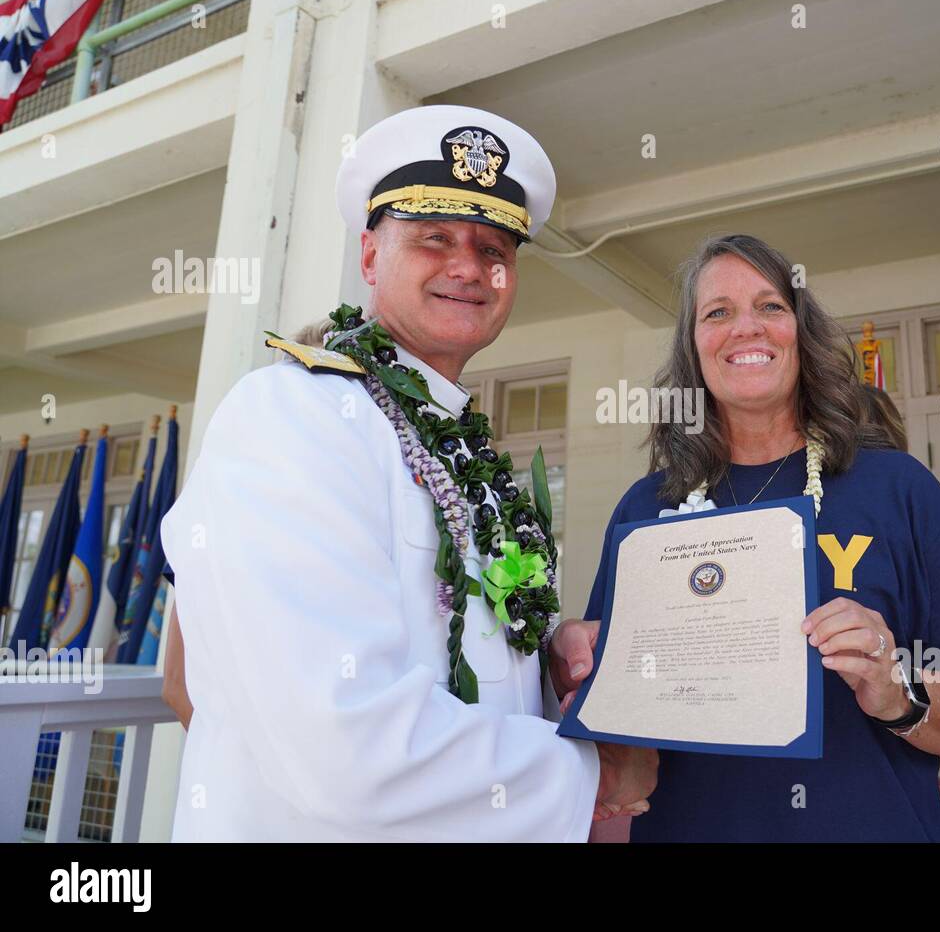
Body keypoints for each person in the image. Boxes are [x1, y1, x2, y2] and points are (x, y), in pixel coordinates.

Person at [160, 106, 655, 841]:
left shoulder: (468, 458)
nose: (468, 266)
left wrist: (548, 660)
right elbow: (340, 742)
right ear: (367, 256)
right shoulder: (292, 414)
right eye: (433, 238)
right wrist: (592, 776)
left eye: (494, 247)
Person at [550, 234, 940, 841]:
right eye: (717, 312)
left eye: (771, 307)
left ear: (802, 334)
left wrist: (897, 687)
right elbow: (613, 716)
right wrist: (573, 669)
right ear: (694, 349)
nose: (747, 328)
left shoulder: (898, 488)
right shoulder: (648, 508)